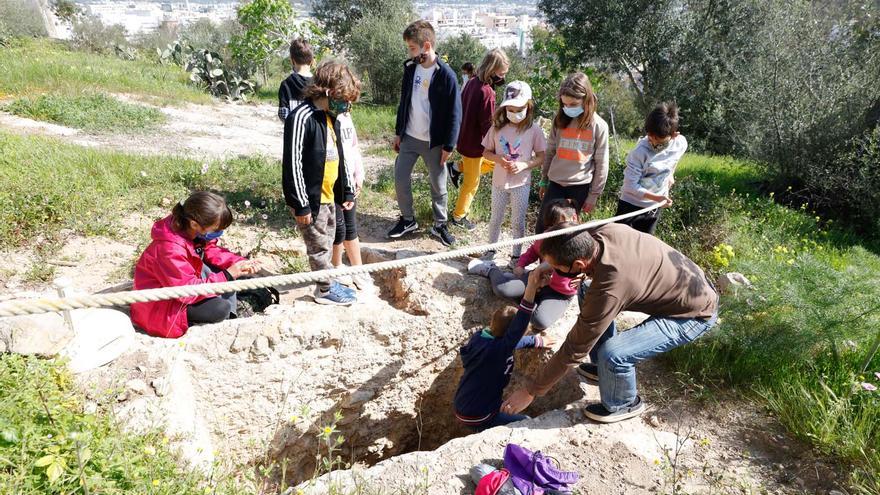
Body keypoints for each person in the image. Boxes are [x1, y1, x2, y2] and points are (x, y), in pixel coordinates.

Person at [501, 223, 719, 423]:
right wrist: (558, 267)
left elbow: (575, 349)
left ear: (578, 263)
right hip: (687, 286)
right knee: (587, 288)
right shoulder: (602, 233)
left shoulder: (609, 289)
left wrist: (530, 390)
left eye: (558, 268)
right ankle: (602, 370)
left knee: (613, 354)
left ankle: (624, 402)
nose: (555, 272)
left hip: (693, 314)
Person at [131, 191, 262, 338]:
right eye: (216, 230)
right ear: (194, 224)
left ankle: (230, 315)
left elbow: (211, 250)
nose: (218, 234)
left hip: (184, 286)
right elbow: (185, 292)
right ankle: (223, 318)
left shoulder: (190, 229)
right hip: (162, 307)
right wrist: (228, 274)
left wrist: (238, 262)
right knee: (220, 309)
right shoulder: (169, 249)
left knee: (234, 276)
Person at [283, 60, 360, 306]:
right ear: (329, 92)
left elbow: (340, 156)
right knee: (318, 246)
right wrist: (300, 204)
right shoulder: (301, 117)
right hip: (312, 199)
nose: (347, 106)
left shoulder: (331, 117)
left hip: (329, 197)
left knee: (328, 239)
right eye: (344, 99)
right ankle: (325, 290)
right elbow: (292, 162)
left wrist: (346, 189)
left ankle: (327, 279)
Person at [386, 20, 462, 247]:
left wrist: (449, 145)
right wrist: (399, 132)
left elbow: (455, 114)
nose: (409, 52)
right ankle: (408, 220)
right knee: (400, 178)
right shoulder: (410, 69)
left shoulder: (447, 75)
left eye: (412, 48)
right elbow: (404, 103)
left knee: (438, 185)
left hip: (434, 142)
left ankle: (440, 225)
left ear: (426, 46)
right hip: (409, 137)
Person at [453, 269, 555, 431]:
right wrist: (531, 289)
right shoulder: (499, 348)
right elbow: (518, 328)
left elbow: (512, 342)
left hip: (465, 403)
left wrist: (536, 340)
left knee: (506, 409)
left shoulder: (481, 338)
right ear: (511, 336)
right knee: (526, 422)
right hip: (479, 415)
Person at [467, 199, 578, 331]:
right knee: (503, 289)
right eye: (551, 226)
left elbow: (586, 272)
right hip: (537, 278)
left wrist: (582, 277)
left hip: (559, 293)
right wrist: (521, 264)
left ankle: (520, 289)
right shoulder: (548, 235)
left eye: (559, 224)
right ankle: (490, 269)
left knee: (539, 322)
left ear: (574, 218)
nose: (555, 229)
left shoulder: (582, 241)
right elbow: (533, 251)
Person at [535, 72, 609, 234]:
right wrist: (543, 180)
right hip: (555, 184)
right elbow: (550, 152)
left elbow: (602, 163)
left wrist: (594, 195)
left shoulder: (599, 126)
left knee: (567, 233)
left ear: (586, 100)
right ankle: (542, 260)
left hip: (579, 188)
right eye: (565, 104)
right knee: (542, 229)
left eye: (573, 104)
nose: (568, 108)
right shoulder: (559, 120)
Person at [480, 81, 546, 263]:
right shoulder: (496, 128)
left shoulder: (534, 130)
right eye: (510, 108)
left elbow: (542, 157)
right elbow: (486, 151)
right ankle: (490, 251)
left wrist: (524, 165)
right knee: (495, 218)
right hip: (499, 182)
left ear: (528, 106)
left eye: (519, 108)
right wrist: (499, 160)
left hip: (521, 184)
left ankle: (516, 256)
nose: (515, 113)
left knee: (518, 222)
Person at [447, 48, 510, 231]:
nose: (503, 77)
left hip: (465, 137)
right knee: (472, 183)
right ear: (492, 69)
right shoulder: (487, 91)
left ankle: (456, 167)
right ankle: (459, 217)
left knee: (490, 165)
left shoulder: (473, 82)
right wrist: (497, 145)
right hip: (476, 145)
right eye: (501, 73)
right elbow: (487, 124)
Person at [616, 102, 687, 235]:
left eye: (659, 142)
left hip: (653, 208)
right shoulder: (639, 152)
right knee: (619, 243)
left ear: (673, 135)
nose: (653, 143)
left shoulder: (680, 143)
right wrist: (658, 198)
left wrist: (671, 173)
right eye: (650, 138)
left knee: (644, 247)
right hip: (630, 205)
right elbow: (630, 186)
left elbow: (675, 158)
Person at [331, 110, 375, 292]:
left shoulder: (347, 116)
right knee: (337, 226)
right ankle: (336, 266)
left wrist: (359, 173)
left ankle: (358, 268)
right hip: (333, 181)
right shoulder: (325, 117)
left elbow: (353, 146)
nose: (348, 105)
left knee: (350, 225)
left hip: (349, 180)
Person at [277, 38, 314, 121]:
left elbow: (282, 114)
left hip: (293, 131)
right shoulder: (319, 83)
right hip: (315, 133)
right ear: (311, 60)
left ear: (292, 60)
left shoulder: (286, 84)